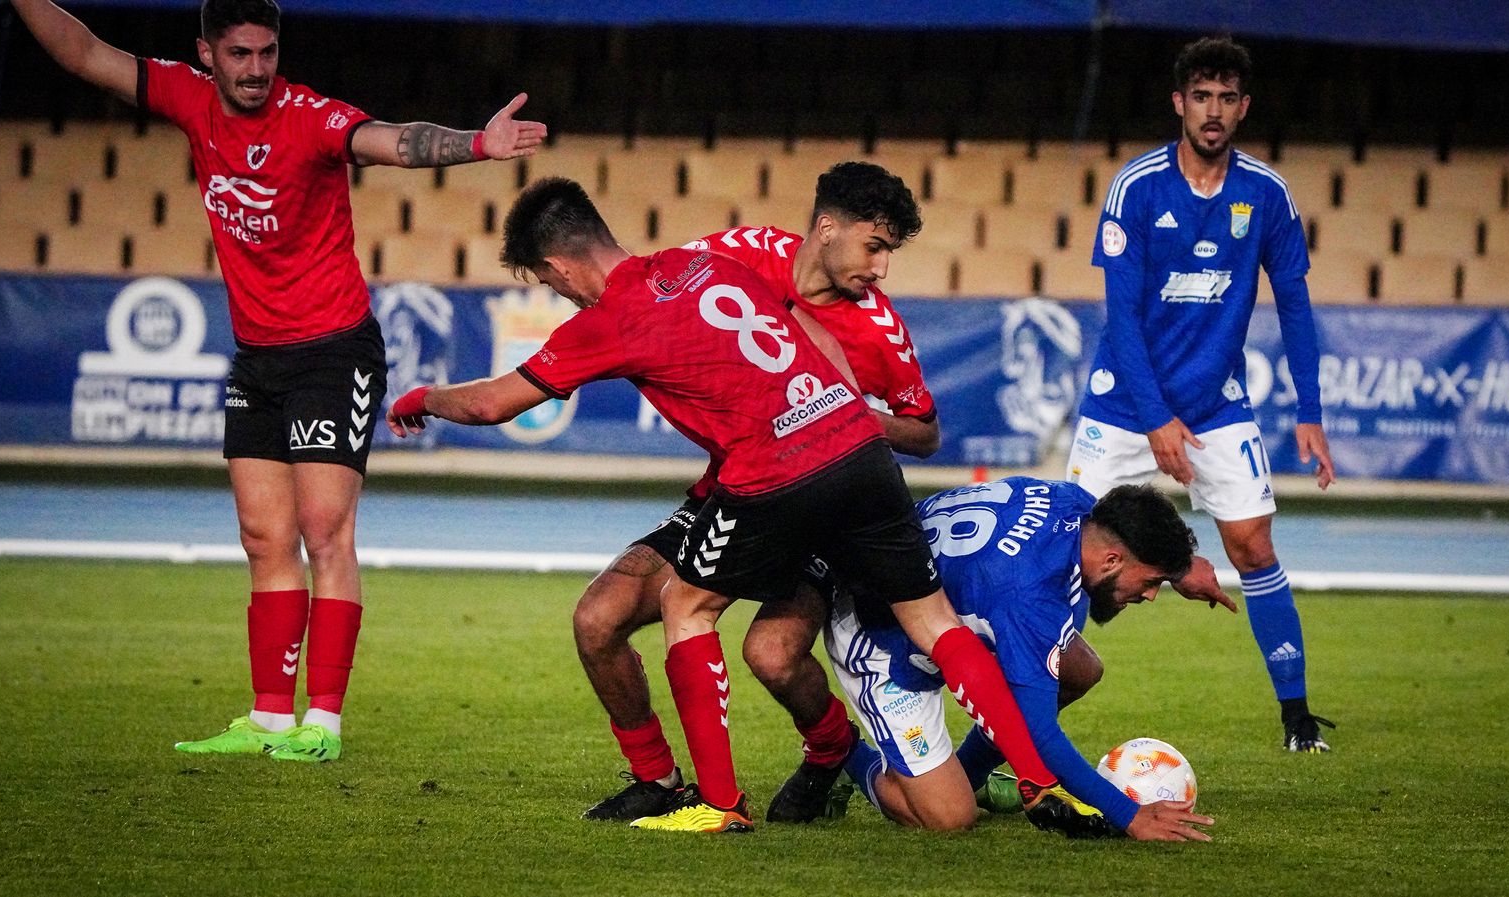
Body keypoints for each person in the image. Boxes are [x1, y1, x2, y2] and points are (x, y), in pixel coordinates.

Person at [387, 178, 1067, 833]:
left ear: (560, 266)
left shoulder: (614, 316)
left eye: (545, 282)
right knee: (932, 619)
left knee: (689, 604)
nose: (556, 294)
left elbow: (489, 403)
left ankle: (719, 804)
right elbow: (810, 330)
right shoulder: (708, 261)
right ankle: (1039, 777)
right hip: (857, 446)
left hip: (774, 472)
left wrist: (422, 398)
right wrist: (830, 402)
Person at [9, 0, 546, 762]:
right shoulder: (187, 98)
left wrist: (475, 144)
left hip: (334, 351)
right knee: (264, 537)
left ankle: (321, 723)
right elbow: (81, 51)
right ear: (207, 54)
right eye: (239, 54)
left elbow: (392, 141)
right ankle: (266, 717)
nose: (256, 68)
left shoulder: (310, 117)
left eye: (267, 52)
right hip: (256, 356)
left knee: (325, 532)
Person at [573, 161, 940, 825]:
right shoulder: (746, 252)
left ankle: (830, 751)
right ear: (827, 229)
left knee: (770, 655)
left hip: (821, 505)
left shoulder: (880, 329)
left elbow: (925, 432)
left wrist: (843, 412)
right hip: (732, 491)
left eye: (889, 253)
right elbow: (654, 284)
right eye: (876, 248)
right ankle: (659, 779)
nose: (881, 271)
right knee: (598, 619)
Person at [1067, 36, 1337, 752]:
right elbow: (1119, 316)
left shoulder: (1267, 195)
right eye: (1202, 97)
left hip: (1216, 404)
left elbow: (1297, 305)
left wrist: (1309, 409)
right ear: (1179, 103)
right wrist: (1156, 418)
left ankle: (1297, 716)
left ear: (1243, 109)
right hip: (1123, 406)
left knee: (1252, 546)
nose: (1213, 112)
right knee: (1066, 551)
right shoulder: (1137, 187)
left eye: (1227, 99)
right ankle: (1022, 726)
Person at [826, 477, 1219, 841]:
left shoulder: (1077, 507)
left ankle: (968, 774)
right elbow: (1040, 734)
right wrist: (1129, 815)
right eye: (1151, 583)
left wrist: (1176, 569)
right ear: (1112, 560)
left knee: (1078, 668)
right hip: (879, 638)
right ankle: (845, 753)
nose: (1150, 596)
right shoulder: (1029, 595)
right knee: (949, 817)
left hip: (945, 608)